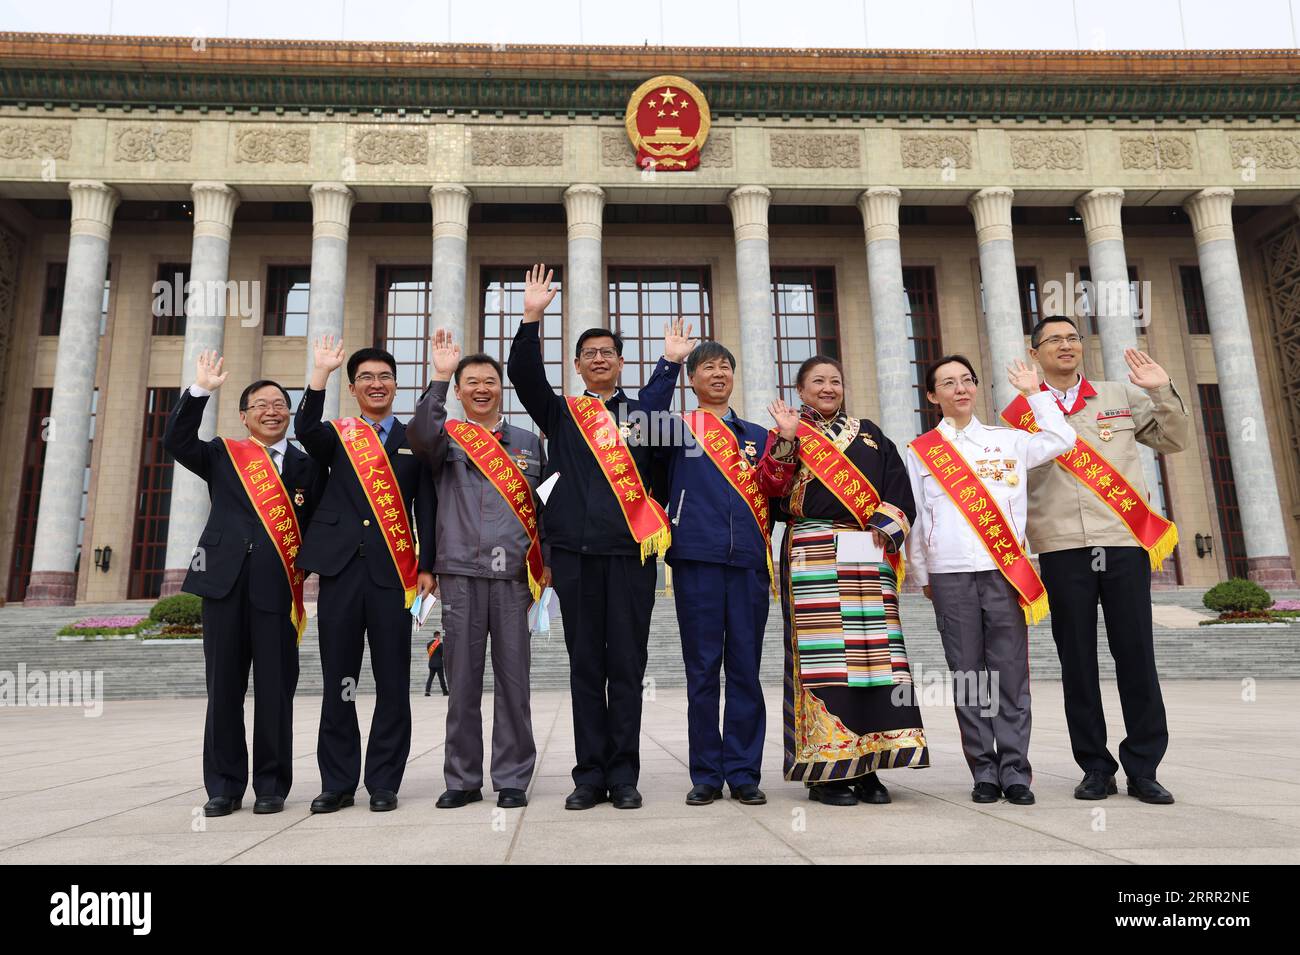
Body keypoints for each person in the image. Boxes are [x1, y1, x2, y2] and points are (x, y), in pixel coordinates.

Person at [507, 263, 690, 811]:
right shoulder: (560, 413)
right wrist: (532, 318)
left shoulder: (642, 417)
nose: (599, 359)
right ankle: (589, 774)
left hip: (630, 556)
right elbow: (523, 377)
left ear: (620, 362)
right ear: (579, 364)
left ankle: (624, 774)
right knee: (584, 663)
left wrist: (671, 364)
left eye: (608, 352)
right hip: (575, 554)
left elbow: (657, 408)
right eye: (590, 353)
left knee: (626, 667)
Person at [1009, 316, 1188, 805]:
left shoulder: (1118, 395)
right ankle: (1094, 766)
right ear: (1036, 351)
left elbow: (1174, 440)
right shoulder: (1020, 413)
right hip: (1062, 546)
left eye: (1073, 338)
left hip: (1123, 541)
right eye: (1054, 340)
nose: (1066, 346)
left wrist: (1163, 390)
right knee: (1078, 664)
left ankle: (1144, 766)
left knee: (1136, 656)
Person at [905, 354, 1076, 806]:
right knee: (967, 677)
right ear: (932, 394)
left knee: (1010, 675)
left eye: (966, 380)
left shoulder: (1010, 441)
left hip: (1004, 573)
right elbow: (919, 520)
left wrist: (1035, 393)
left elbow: (1062, 438)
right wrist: (922, 574)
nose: (959, 389)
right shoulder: (920, 450)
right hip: (949, 574)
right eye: (947, 382)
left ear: (976, 388)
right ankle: (983, 769)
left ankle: (1016, 771)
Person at [163, 350, 324, 816]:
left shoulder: (306, 467)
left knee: (276, 691)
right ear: (244, 416)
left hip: (277, 591)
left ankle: (271, 785)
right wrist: (199, 391)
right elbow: (176, 440)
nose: (272, 411)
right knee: (225, 690)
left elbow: (313, 524)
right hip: (224, 587)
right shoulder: (220, 454)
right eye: (261, 405)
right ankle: (224, 786)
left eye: (279, 404)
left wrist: (306, 568)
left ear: (288, 414)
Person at [638, 340, 798, 807]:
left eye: (726, 366)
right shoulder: (677, 429)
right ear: (694, 379)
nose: (719, 373)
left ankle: (744, 771)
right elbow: (644, 416)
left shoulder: (758, 434)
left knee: (745, 670)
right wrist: (668, 362)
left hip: (748, 563)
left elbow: (776, 488)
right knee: (703, 670)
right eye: (708, 367)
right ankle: (706, 772)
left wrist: (786, 441)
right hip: (696, 560)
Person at [765, 355, 929, 806]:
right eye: (817, 381)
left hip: (867, 547)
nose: (828, 387)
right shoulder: (790, 432)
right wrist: (784, 440)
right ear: (801, 391)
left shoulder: (872, 434)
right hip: (812, 551)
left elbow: (899, 491)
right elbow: (771, 490)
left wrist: (882, 527)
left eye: (835, 380)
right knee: (826, 660)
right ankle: (826, 771)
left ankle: (871, 765)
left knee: (876, 658)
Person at [408, 331, 550, 810]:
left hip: (514, 576)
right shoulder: (444, 436)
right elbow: (418, 437)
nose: (482, 389)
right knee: (462, 681)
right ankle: (463, 779)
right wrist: (439, 379)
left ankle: (511, 778)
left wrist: (545, 560)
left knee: (514, 682)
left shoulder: (529, 442)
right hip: (460, 573)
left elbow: (547, 506)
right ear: (462, 390)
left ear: (500, 387)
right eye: (472, 383)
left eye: (490, 381)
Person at [295, 337, 437, 813]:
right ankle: (337, 782)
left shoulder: (413, 440)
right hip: (339, 572)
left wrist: (429, 565)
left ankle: (383, 782)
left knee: (393, 680)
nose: (377, 385)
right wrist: (321, 373)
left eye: (385, 377)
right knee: (341, 678)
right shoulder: (338, 435)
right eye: (367, 379)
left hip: (394, 575)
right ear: (354, 388)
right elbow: (305, 427)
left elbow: (427, 507)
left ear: (396, 385)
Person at [425, 632, 446, 697]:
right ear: (437, 636)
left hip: (431, 663)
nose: (439, 637)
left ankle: (427, 691)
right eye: (439, 636)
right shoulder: (440, 644)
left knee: (430, 678)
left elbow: (429, 652)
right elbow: (442, 654)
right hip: (439, 664)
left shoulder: (429, 644)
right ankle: (445, 692)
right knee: (441, 678)